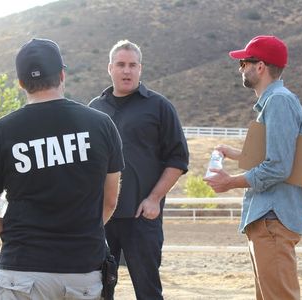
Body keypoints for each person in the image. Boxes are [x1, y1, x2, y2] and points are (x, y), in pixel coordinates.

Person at [0, 38, 124, 300]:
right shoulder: (101, 125)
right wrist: (82, 230)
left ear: (20, 83)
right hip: (83, 269)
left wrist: (18, 235)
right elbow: (110, 201)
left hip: (22, 271)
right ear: (62, 74)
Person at [204, 35, 302, 300]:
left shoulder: (279, 101)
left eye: (244, 63)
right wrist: (237, 154)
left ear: (260, 66)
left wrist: (230, 182)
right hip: (269, 219)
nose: (241, 68)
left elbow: (278, 168)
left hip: (272, 219)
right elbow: (281, 157)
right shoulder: (276, 102)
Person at [89, 40, 189, 300]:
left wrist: (154, 199)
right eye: (121, 65)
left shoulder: (159, 107)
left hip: (142, 217)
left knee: (148, 291)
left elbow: (178, 159)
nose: (127, 71)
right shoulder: (94, 110)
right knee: (98, 289)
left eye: (132, 65)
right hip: (101, 218)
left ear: (140, 69)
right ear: (110, 68)